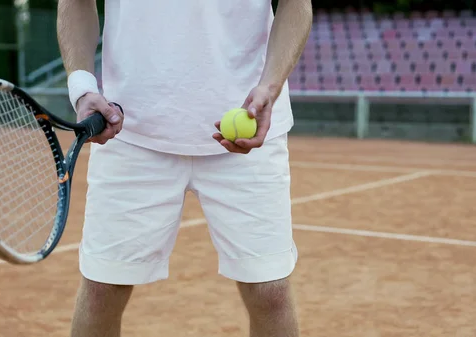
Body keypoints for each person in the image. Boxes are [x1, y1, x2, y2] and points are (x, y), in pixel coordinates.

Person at [57, 0, 312, 336]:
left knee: (271, 292)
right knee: (102, 288)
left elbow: (298, 5)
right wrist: (82, 87)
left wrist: (271, 86)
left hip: (249, 126)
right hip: (130, 131)